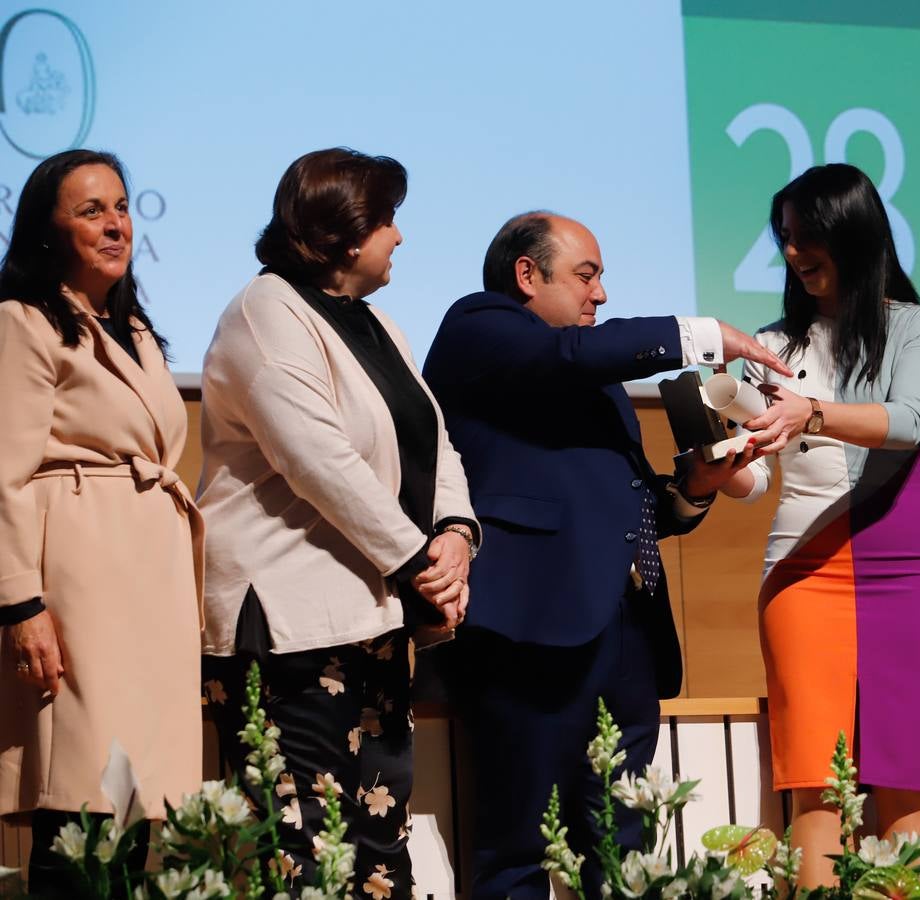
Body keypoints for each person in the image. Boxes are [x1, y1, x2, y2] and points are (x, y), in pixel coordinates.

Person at [421, 211, 793, 899]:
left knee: (626, 848)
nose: (602, 295)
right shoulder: (480, 326)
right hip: (530, 631)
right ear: (526, 275)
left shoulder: (590, 372)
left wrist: (692, 491)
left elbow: (626, 508)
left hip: (626, 633)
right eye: (586, 276)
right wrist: (705, 336)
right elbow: (567, 358)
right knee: (518, 850)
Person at [197, 148, 477, 900]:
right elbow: (318, 461)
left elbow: (433, 437)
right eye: (389, 221)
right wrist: (421, 560)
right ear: (347, 233)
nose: (400, 238)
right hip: (290, 630)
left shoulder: (376, 322)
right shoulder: (264, 311)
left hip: (371, 620)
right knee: (306, 852)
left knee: (380, 851)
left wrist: (456, 535)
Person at [714, 163, 920, 887]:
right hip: (802, 574)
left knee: (906, 777)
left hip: (909, 571)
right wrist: (718, 460)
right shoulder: (772, 345)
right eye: (786, 239)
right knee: (813, 777)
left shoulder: (919, 325)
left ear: (855, 231)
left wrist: (812, 411)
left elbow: (909, 422)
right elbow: (758, 478)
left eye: (808, 236)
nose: (794, 253)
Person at [0, 149, 202, 895]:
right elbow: (4, 476)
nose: (116, 224)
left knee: (130, 807)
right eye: (91, 211)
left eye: (120, 207)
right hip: (77, 582)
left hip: (146, 579)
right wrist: (22, 603)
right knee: (82, 804)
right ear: (48, 232)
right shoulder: (23, 322)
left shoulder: (136, 330)